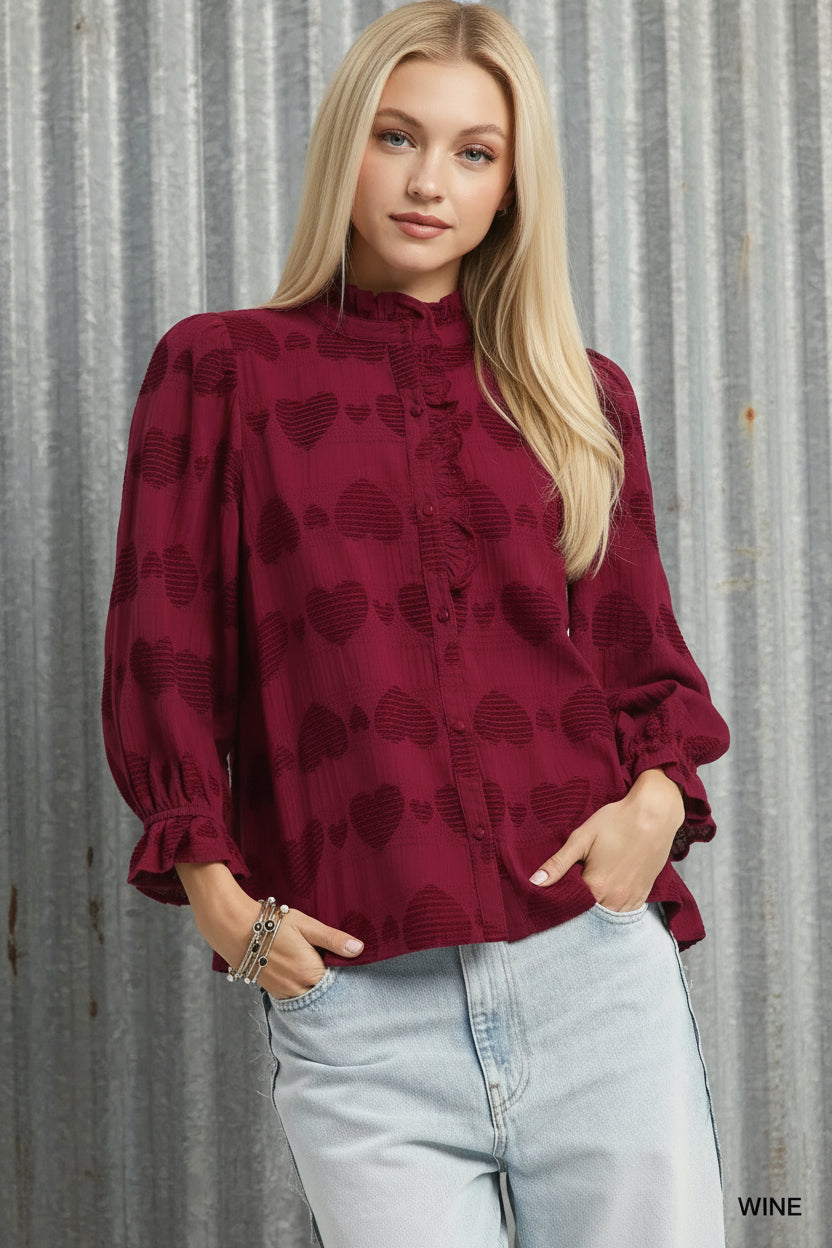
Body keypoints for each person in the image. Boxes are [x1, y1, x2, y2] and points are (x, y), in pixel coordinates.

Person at [100, 2, 731, 1245]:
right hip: (361, 1010)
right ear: (348, 146)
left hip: (592, 978)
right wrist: (226, 905)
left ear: (511, 186)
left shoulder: (576, 392)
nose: (428, 181)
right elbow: (163, 654)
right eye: (398, 137)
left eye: (473, 151)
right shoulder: (220, 374)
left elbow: (635, 657)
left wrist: (652, 807)